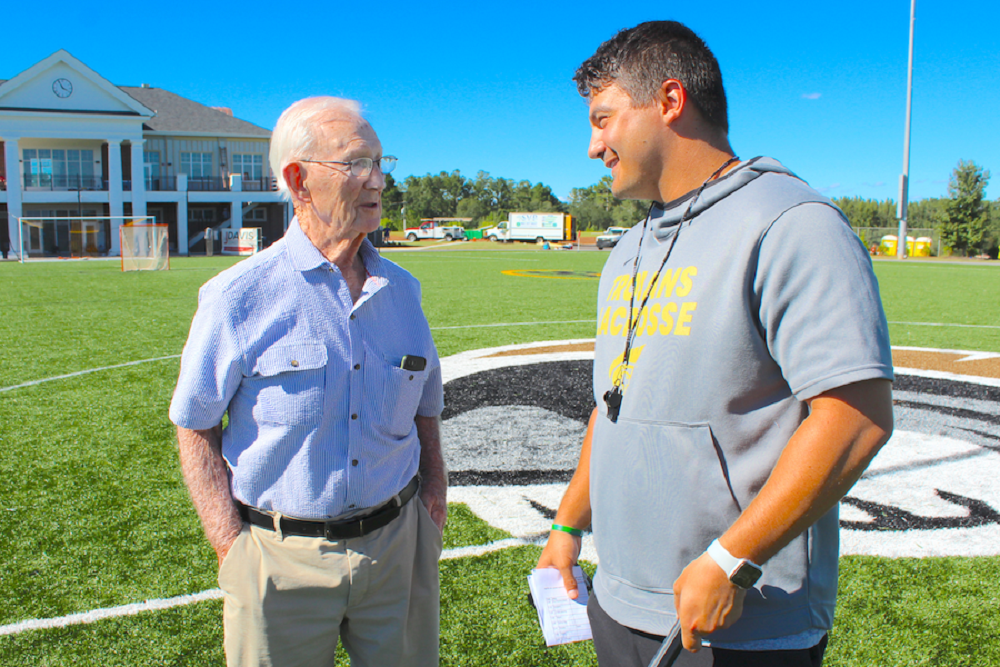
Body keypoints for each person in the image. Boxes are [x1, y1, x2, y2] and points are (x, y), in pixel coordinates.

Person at [537, 21, 894, 667]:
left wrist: (733, 557)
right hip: (619, 597)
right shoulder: (629, 248)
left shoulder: (791, 222)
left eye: (603, 119)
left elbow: (855, 418)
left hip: (736, 616)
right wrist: (568, 524)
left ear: (670, 100)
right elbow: (613, 404)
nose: (593, 146)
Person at [169, 96, 447, 667]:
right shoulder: (237, 297)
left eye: (379, 162)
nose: (378, 179)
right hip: (278, 562)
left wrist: (433, 502)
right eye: (355, 163)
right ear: (299, 180)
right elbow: (195, 424)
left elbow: (425, 406)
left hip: (397, 549)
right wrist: (231, 548)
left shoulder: (403, 291)